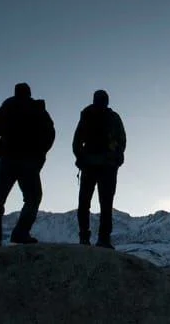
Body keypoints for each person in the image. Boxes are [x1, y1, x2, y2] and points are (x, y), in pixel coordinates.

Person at [0, 82, 55, 247]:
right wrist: (39, 156)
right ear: (29, 93)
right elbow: (50, 135)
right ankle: (21, 233)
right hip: (28, 163)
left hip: (8, 161)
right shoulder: (37, 109)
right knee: (33, 198)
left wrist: (1, 153)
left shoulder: (7, 108)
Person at [72, 89, 126, 248]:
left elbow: (77, 141)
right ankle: (102, 239)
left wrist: (80, 157)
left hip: (94, 164)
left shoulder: (88, 115)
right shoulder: (112, 117)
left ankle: (87, 237)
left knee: (86, 202)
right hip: (105, 165)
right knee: (104, 203)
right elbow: (122, 140)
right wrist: (117, 157)